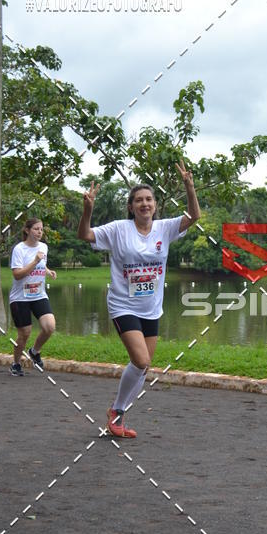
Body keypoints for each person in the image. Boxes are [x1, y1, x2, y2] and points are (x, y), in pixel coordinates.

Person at [78, 162, 200, 438]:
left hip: (151, 309)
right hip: (123, 305)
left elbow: (194, 216)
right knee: (142, 360)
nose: (144, 204)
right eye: (138, 200)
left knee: (143, 368)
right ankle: (115, 412)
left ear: (155, 205)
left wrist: (189, 187)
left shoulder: (164, 229)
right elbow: (85, 235)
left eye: (149, 199)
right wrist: (88, 210)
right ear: (131, 207)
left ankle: (117, 415)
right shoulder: (118, 229)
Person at [9, 218, 57, 376]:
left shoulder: (43, 247)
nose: (40, 232)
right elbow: (17, 274)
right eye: (36, 229)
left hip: (39, 295)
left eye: (41, 229)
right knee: (25, 333)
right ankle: (16, 363)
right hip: (20, 297)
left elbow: (42, 264)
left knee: (49, 326)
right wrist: (35, 261)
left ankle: (34, 351)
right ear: (27, 230)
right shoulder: (19, 249)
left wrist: (48, 271)